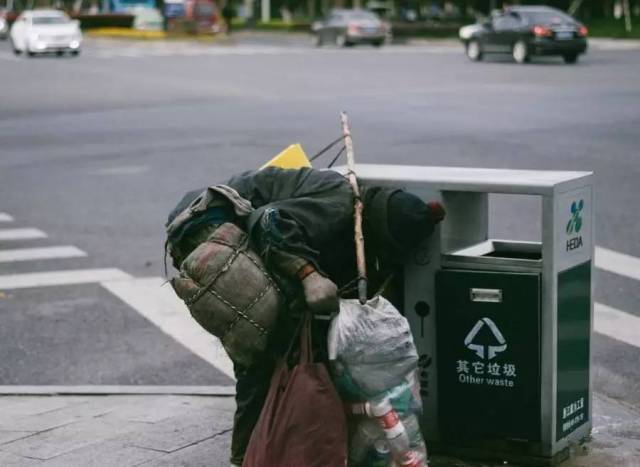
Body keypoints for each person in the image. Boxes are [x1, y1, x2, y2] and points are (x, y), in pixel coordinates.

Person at [166, 166, 445, 466]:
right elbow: (269, 219)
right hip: (206, 223)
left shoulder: (358, 225)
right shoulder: (340, 204)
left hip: (239, 224)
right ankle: (245, 455)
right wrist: (307, 273)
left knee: (291, 332)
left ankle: (270, 441)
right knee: (264, 341)